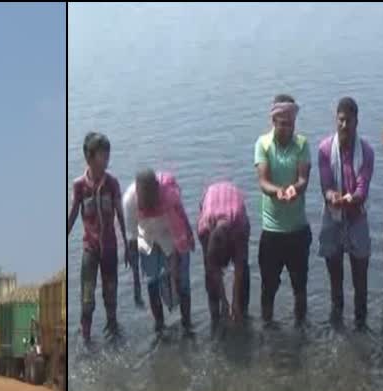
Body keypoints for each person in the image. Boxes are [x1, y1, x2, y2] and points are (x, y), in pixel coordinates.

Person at [254, 94, 312, 325]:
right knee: (268, 287)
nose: (288, 128)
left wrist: (294, 190)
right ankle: (267, 327)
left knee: (300, 287)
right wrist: (278, 191)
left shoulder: (302, 144)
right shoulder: (263, 144)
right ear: (274, 122)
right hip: (272, 231)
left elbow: (303, 179)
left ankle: (301, 330)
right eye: (283, 123)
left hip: (297, 230)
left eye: (291, 123)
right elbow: (263, 181)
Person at [318, 97, 375, 328]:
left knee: (360, 276)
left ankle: (361, 322)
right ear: (336, 120)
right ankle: (337, 320)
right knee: (335, 278)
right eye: (341, 120)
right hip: (332, 218)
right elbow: (325, 185)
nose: (344, 125)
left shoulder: (367, 152)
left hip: (357, 217)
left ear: (356, 122)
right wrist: (333, 197)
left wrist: (350, 198)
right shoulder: (324, 149)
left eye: (348, 121)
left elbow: (363, 186)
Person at [68, 132, 129, 341]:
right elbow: (73, 214)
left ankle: (112, 328)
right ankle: (85, 336)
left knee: (110, 294)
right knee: (87, 297)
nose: (106, 160)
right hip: (90, 249)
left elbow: (120, 214)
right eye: (102, 156)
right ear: (89, 157)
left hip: (110, 248)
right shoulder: (79, 186)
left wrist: (127, 247)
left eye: (108, 156)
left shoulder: (112, 183)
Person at [124, 169, 195, 334]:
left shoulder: (169, 195)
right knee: (152, 281)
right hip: (147, 236)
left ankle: (187, 324)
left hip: (169, 233)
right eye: (144, 200)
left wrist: (177, 259)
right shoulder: (130, 200)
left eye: (151, 199)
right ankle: (160, 326)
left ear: (157, 189)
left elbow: (179, 228)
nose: (148, 204)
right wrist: (136, 284)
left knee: (182, 282)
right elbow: (132, 239)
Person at [196, 181, 251, 325]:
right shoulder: (204, 230)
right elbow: (213, 267)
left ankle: (242, 314)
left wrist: (235, 301)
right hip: (210, 199)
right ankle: (216, 315)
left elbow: (238, 267)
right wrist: (224, 301)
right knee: (210, 272)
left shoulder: (240, 228)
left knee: (243, 268)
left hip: (234, 202)